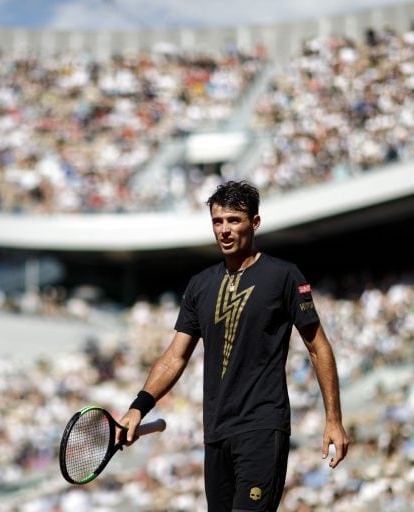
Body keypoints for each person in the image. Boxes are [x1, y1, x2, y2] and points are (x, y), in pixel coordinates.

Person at [118, 180, 349, 511]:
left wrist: (334, 419)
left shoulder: (284, 276)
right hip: (215, 433)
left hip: (261, 427)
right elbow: (174, 358)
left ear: (254, 223)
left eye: (234, 220)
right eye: (217, 221)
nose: (224, 230)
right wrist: (138, 407)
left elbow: (318, 348)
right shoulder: (199, 285)